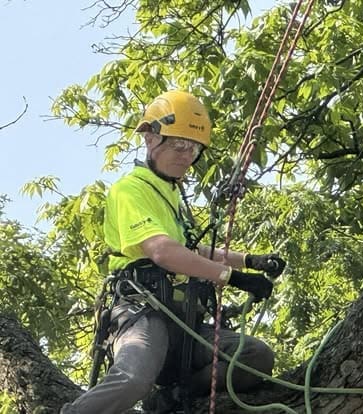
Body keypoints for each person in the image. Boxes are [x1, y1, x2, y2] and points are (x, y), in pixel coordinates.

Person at [61, 90, 286, 414]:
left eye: (194, 148)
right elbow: (163, 251)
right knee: (133, 380)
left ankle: (170, 398)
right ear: (151, 138)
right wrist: (233, 278)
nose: (186, 155)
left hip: (186, 325)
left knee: (255, 357)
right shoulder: (130, 190)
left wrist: (250, 261)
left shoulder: (173, 198)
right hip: (146, 315)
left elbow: (194, 250)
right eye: (179, 145)